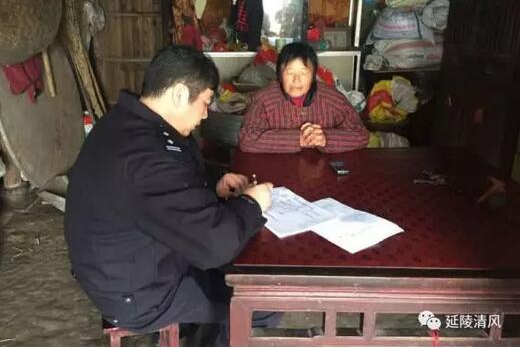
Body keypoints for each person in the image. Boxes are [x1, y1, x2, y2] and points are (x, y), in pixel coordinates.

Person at [64, 45, 273, 345]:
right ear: (178, 94)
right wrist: (253, 204)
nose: (205, 115)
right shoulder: (146, 155)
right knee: (261, 301)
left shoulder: (128, 122)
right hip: (140, 294)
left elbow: (168, 185)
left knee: (235, 266)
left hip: (120, 267)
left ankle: (201, 329)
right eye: (205, 103)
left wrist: (211, 184)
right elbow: (215, 246)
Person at [239, 42, 369, 153]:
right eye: (290, 73)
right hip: (278, 170)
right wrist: (298, 139)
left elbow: (361, 135)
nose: (296, 80)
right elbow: (246, 139)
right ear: (279, 74)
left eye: (303, 73)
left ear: (313, 76)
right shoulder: (264, 100)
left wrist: (325, 138)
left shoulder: (332, 99)